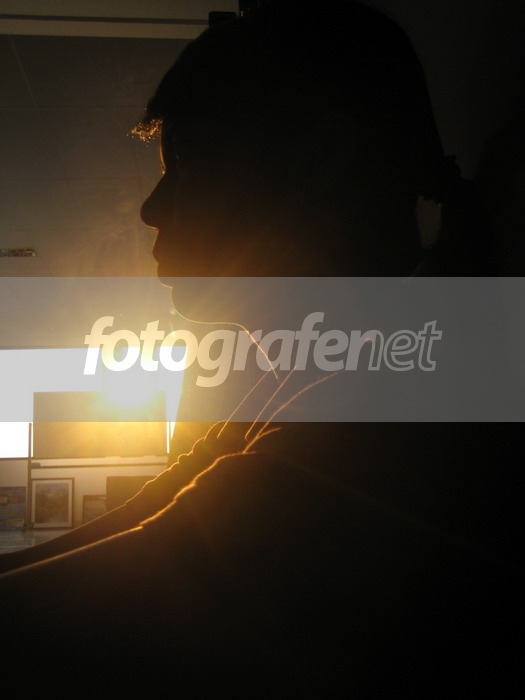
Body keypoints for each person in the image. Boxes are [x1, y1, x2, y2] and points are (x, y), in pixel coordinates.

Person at [0, 2, 522, 696]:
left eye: (186, 164)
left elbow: (138, 582)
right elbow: (150, 514)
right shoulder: (309, 377)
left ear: (319, 155)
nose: (150, 208)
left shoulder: (388, 398)